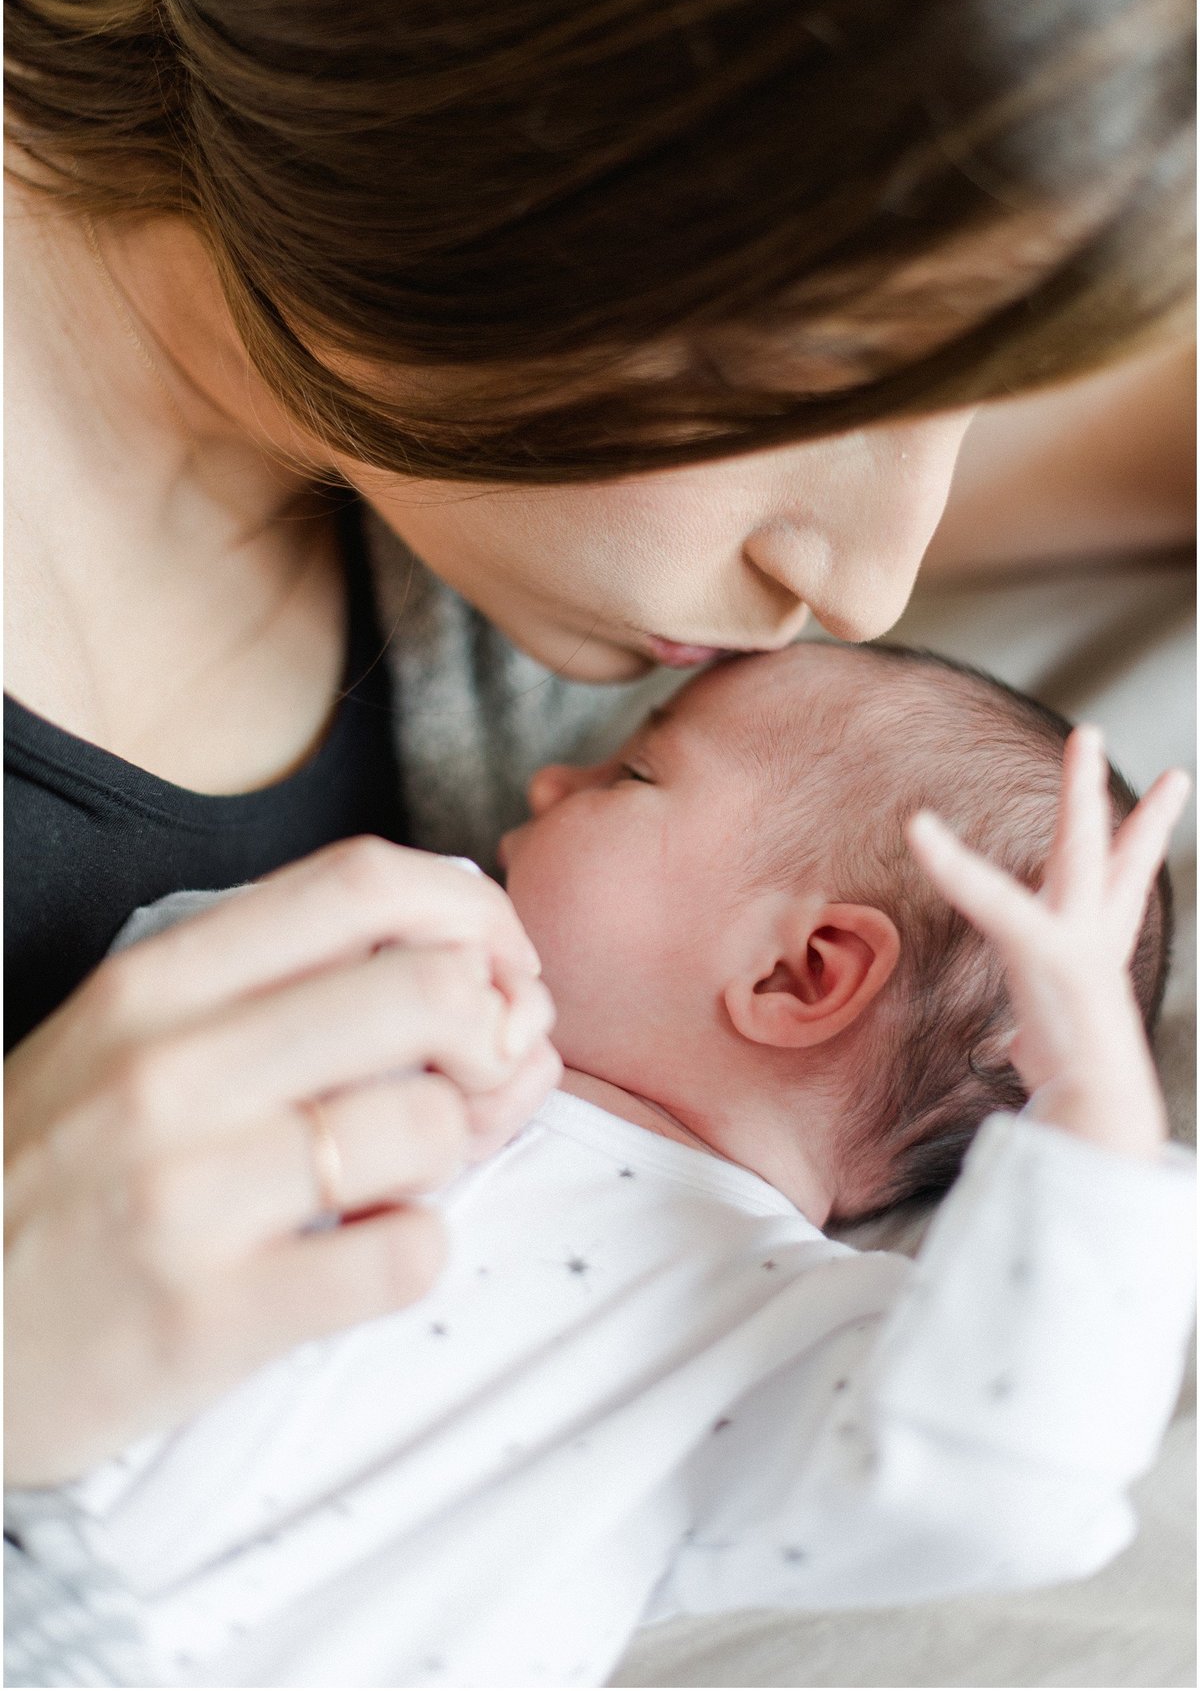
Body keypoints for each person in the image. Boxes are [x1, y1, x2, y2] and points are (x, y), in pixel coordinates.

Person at [4, 0, 1194, 1503]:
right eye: (836, 371)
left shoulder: (472, 491)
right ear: (497, 100)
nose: (865, 591)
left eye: (965, 402)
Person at [6, 641, 1192, 1689]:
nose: (548, 780)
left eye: (632, 775)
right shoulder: (400, 976)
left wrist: (1093, 1120)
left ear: (800, 973)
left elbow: (1002, 1485)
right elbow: (131, 1059)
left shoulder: (794, 1345)